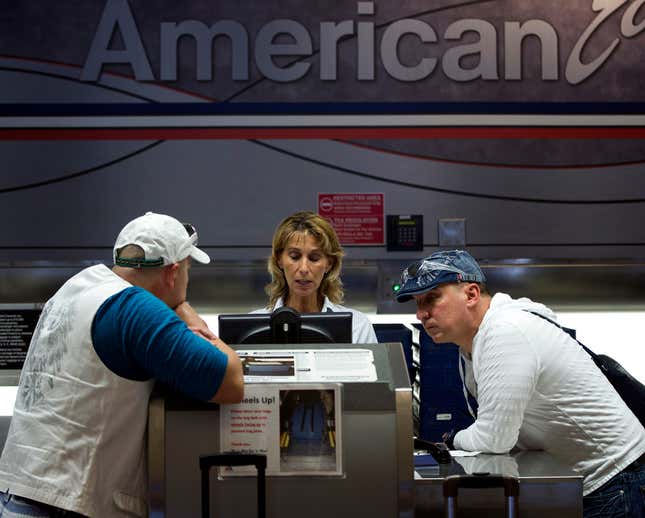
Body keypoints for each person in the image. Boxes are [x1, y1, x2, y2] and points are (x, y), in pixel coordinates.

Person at [0, 212, 244, 518]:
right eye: (188, 271)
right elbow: (230, 380)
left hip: (18, 493)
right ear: (172, 273)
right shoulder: (136, 310)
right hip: (67, 502)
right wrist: (183, 309)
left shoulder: (78, 286)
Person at [396, 249, 645, 518]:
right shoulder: (472, 342)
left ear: (471, 294)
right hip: (591, 480)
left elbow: (494, 438)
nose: (421, 314)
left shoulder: (505, 332)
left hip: (616, 481)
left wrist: (450, 438)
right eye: (418, 303)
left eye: (432, 299)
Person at [254, 211, 377, 344]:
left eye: (314, 258)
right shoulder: (255, 326)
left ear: (329, 263)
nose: (304, 269)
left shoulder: (357, 327)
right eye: (295, 257)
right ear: (279, 260)